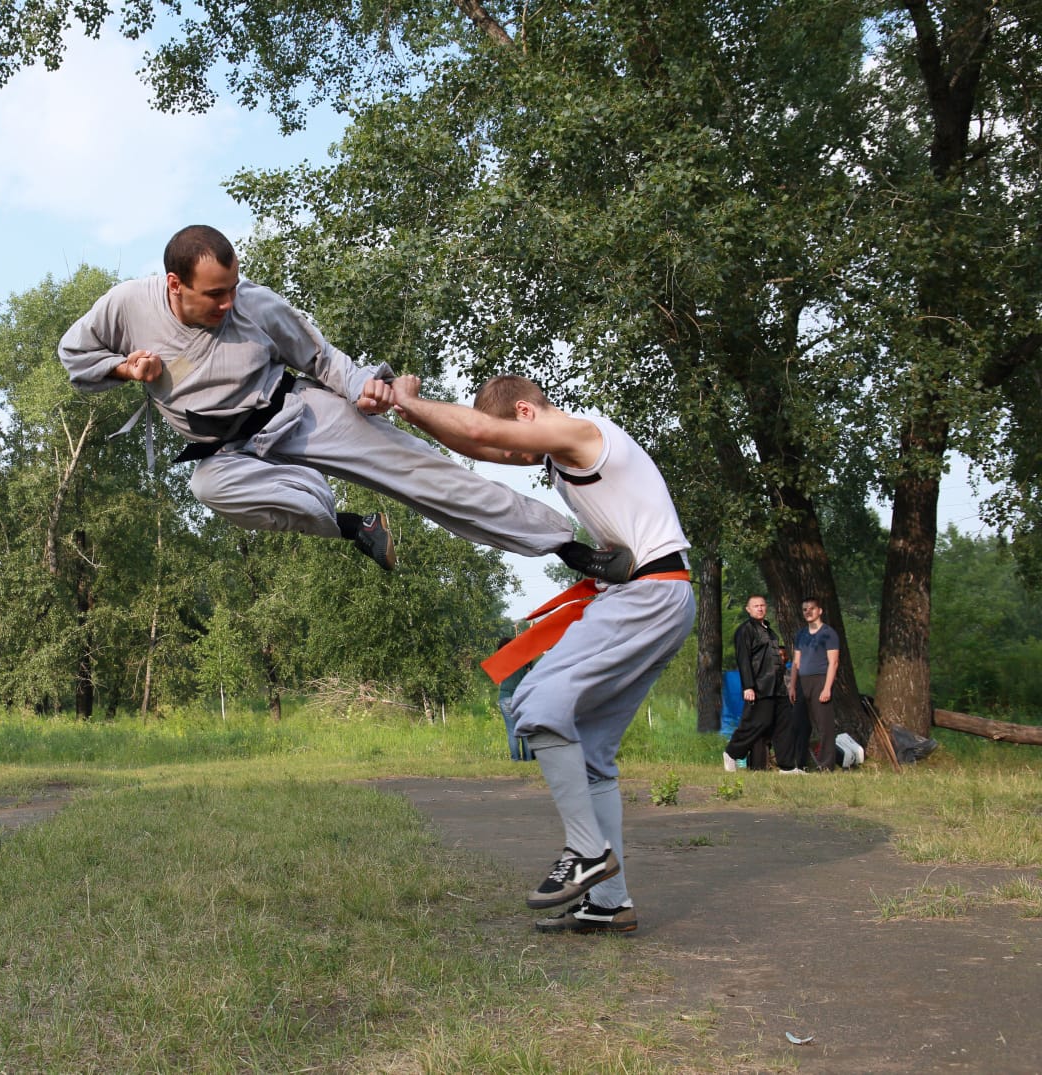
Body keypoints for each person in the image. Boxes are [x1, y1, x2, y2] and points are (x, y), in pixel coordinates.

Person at [58, 225, 620, 579]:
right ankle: (353, 525)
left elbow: (322, 358)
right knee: (208, 489)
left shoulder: (255, 304)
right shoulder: (127, 305)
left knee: (424, 475)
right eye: (215, 294)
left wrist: (362, 389)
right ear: (175, 284)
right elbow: (73, 355)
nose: (229, 303)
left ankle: (566, 548)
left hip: (296, 414)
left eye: (234, 287)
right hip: (224, 452)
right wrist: (122, 368)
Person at [391, 373, 695, 936]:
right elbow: (481, 441)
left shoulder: (582, 433)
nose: (510, 457)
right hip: (663, 596)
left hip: (646, 596)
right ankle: (609, 902)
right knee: (593, 757)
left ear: (528, 413)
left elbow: (484, 431)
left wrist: (409, 397)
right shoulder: (560, 454)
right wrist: (413, 418)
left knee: (534, 700)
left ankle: (585, 851)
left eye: (515, 442)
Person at [723, 596, 803, 773]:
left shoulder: (769, 630)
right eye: (755, 606)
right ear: (748, 609)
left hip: (778, 687)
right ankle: (732, 752)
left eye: (762, 605)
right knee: (758, 722)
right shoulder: (746, 630)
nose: (759, 608)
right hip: (760, 686)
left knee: (784, 723)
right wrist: (748, 686)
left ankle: (787, 767)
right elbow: (743, 659)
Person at [789, 598, 841, 771]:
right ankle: (799, 763)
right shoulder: (801, 635)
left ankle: (826, 765)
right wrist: (792, 685)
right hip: (802, 682)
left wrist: (827, 688)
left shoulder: (828, 633)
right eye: (804, 609)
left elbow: (833, 663)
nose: (808, 612)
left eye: (811, 608)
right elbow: (796, 662)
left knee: (824, 725)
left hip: (820, 679)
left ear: (819, 611)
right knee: (799, 723)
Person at [495, 638, 534, 761]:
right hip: (521, 697)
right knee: (525, 730)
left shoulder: (499, 660)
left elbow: (499, 681)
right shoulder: (523, 657)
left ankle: (515, 760)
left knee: (512, 731)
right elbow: (530, 675)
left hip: (505, 697)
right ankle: (528, 759)